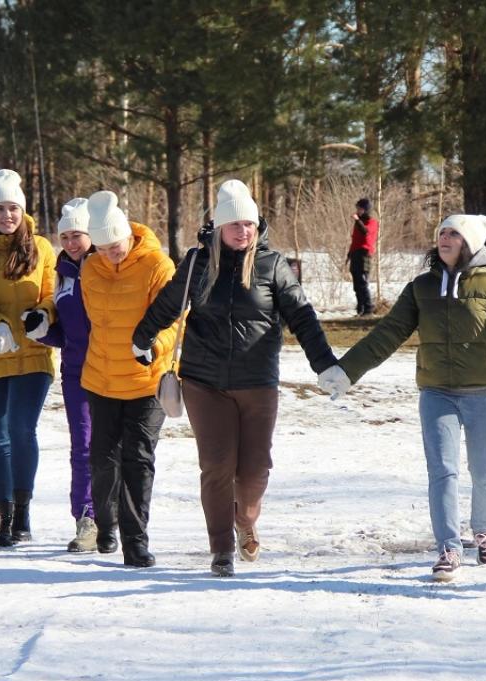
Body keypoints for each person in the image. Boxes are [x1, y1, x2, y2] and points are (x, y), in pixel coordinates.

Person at [318, 214, 486, 582]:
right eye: (441, 232)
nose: (445, 238)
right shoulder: (421, 288)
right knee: (442, 470)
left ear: (469, 242)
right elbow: (387, 334)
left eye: (453, 233)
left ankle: (483, 532)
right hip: (437, 392)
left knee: (484, 471)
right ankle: (449, 547)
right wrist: (346, 371)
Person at [134, 180, 336, 577]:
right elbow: (167, 305)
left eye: (249, 224)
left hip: (257, 381)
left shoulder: (272, 265)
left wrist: (325, 363)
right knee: (216, 466)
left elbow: (302, 316)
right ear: (218, 227)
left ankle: (245, 519)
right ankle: (221, 548)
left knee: (256, 468)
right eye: (234, 225)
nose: (243, 231)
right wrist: (142, 337)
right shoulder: (197, 263)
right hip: (203, 382)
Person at [81, 190, 176, 567]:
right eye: (101, 248)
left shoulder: (157, 265)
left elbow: (175, 321)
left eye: (115, 245)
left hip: (146, 379)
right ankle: (107, 523)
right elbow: (94, 320)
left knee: (138, 459)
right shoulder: (91, 269)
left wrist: (153, 345)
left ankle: (135, 542)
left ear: (127, 234)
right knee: (103, 460)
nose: (109, 254)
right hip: (102, 378)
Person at [0, 169, 57, 547]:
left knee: (22, 431)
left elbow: (51, 293)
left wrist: (42, 314)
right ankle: (4, 518)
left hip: (34, 354)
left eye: (13, 208)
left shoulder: (41, 248)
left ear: (22, 210)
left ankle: (23, 514)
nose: (7, 215)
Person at [37, 198, 100, 552]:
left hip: (112, 370)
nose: (71, 242)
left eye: (78, 234)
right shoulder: (61, 272)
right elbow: (66, 334)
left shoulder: (106, 266)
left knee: (113, 447)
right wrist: (41, 331)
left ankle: (116, 514)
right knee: (83, 447)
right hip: (75, 372)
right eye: (65, 235)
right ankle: (87, 519)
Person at [347, 198, 378, 316]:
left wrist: (357, 220)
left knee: (362, 282)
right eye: (357, 209)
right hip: (356, 254)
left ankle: (368, 308)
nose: (358, 211)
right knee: (356, 284)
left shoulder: (371, 222)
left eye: (360, 209)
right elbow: (355, 240)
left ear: (366, 210)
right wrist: (350, 253)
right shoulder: (358, 223)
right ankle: (360, 309)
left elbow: (365, 232)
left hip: (364, 254)